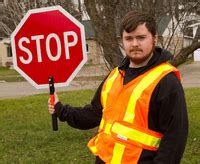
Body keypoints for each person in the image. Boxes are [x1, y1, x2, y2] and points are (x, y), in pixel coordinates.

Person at [48, 11, 188, 164]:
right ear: (122, 41)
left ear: (155, 39)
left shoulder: (166, 81)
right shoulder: (115, 75)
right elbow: (93, 114)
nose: (134, 43)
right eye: (129, 38)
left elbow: (175, 138)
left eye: (141, 37)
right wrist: (60, 109)